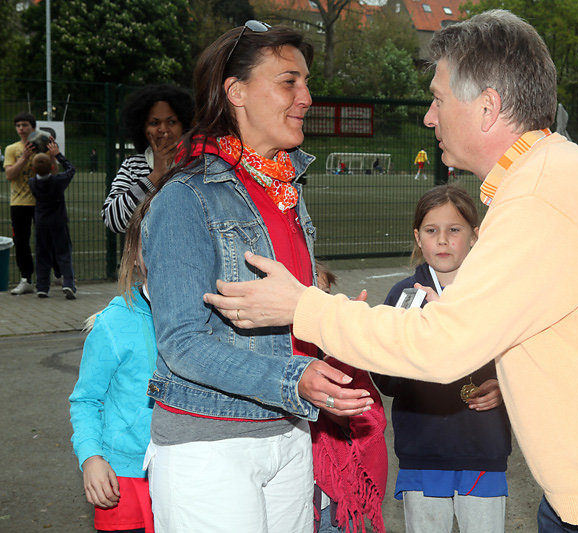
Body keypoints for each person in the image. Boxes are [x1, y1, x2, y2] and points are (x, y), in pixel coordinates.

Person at [204, 10, 578, 532]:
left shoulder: (540, 196)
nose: (428, 117)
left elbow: (442, 347)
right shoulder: (544, 177)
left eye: (438, 99)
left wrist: (304, 307)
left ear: (487, 108)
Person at [140, 21, 373, 532]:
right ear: (237, 91)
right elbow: (181, 344)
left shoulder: (284, 190)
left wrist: (333, 325)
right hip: (210, 444)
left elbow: (285, 319)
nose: (306, 97)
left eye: (306, 82)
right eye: (289, 82)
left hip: (288, 431)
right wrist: (294, 379)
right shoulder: (186, 198)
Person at [372, 184, 511, 533]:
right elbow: (386, 381)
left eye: (454, 230)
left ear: (475, 236)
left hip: (482, 448)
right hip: (423, 450)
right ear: (418, 238)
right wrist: (414, 342)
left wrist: (505, 386)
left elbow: (523, 359)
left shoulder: (496, 295)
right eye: (432, 231)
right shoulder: (403, 297)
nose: (443, 240)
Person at [69, 205, 156, 533]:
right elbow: (86, 400)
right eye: (151, 243)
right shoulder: (113, 323)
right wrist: (92, 457)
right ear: (134, 254)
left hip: (186, 470)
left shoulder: (206, 315)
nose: (164, 253)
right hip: (125, 477)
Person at [313, 262, 387, 533]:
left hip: (333, 501)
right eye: (309, 293)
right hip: (290, 493)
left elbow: (368, 420)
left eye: (324, 294)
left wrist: (322, 399)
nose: (317, 302)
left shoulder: (343, 355)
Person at [101, 84, 193, 233]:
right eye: (154, 123)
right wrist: (155, 176)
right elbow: (113, 221)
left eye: (171, 122)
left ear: (184, 126)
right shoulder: (133, 166)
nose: (163, 130)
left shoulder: (198, 164)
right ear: (142, 129)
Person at [27, 141, 77, 299]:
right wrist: (58, 155)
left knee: (42, 254)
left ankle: (42, 286)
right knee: (63, 253)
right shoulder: (58, 181)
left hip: (41, 222)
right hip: (58, 222)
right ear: (53, 167)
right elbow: (71, 169)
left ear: (33, 169)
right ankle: (68, 283)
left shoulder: (32, 183)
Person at [4, 111, 38, 295]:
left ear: (33, 127)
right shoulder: (12, 149)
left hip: (40, 202)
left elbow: (53, 172)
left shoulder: (41, 146)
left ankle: (53, 276)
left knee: (46, 240)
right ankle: (26, 279)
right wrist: (24, 157)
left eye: (25, 125)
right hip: (19, 202)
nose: (21, 129)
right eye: (18, 125)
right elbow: (10, 174)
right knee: (21, 241)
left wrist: (50, 156)